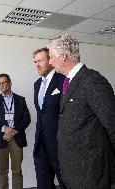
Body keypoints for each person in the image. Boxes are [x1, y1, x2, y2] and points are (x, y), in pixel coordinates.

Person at [47, 34, 115, 189]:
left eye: (51, 57)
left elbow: (112, 124)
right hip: (75, 171)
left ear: (63, 56)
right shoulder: (68, 81)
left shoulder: (91, 80)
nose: (50, 62)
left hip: (92, 172)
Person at [0, 73, 31, 189]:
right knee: (2, 171)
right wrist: (4, 129)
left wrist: (15, 131)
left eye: (4, 82)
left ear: (10, 83)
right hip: (1, 139)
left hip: (17, 138)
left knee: (17, 170)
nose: (1, 85)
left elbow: (27, 119)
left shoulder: (20, 100)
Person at [32, 48, 66, 189]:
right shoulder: (37, 84)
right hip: (40, 144)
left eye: (40, 61)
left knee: (65, 182)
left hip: (59, 144)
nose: (37, 65)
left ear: (51, 61)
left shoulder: (63, 81)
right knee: (43, 184)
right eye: (35, 62)